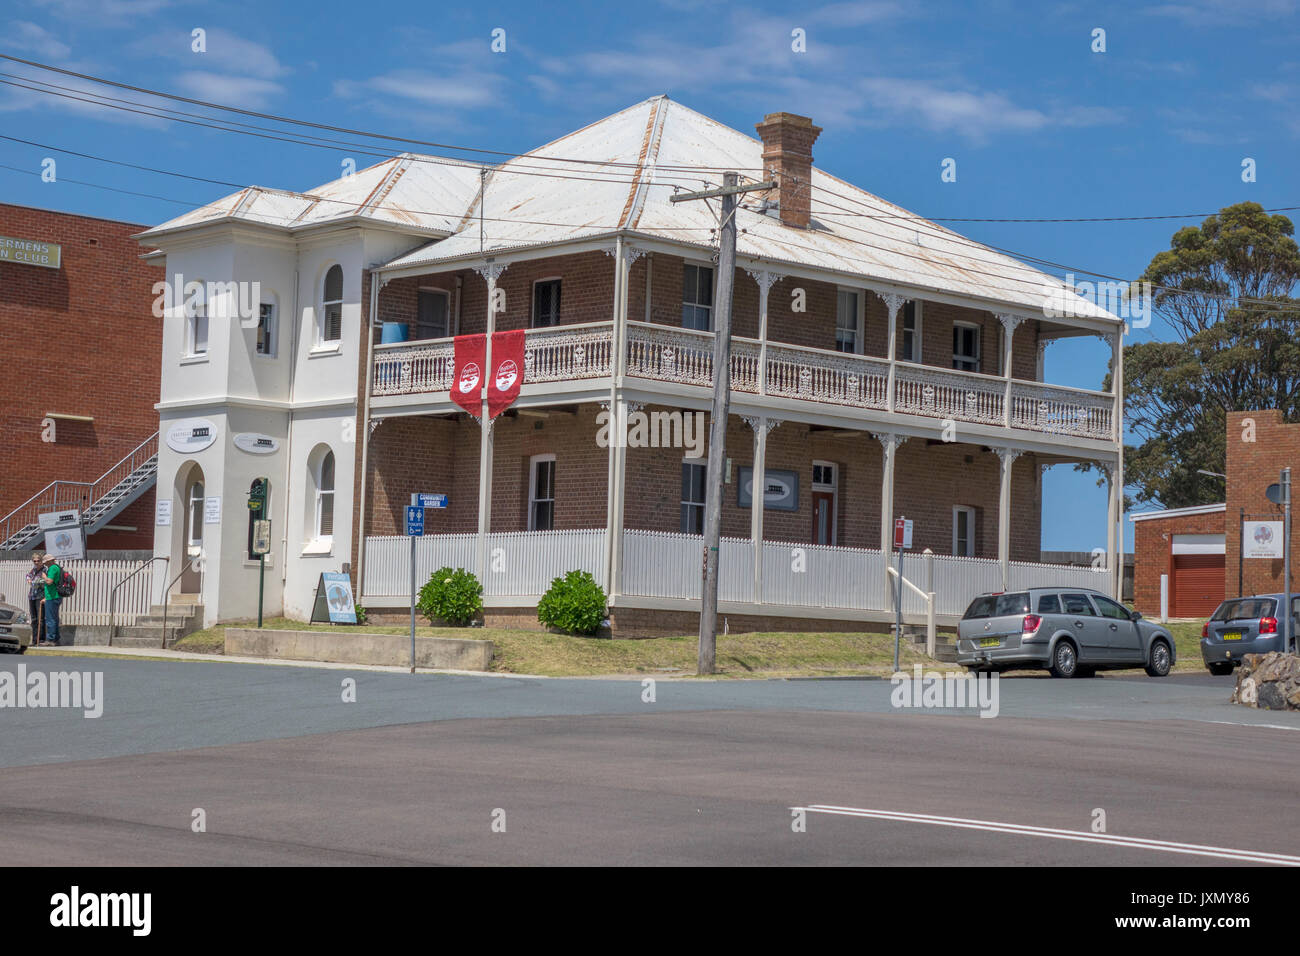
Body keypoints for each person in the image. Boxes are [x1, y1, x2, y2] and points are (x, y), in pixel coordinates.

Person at [39, 554, 62, 647]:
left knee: (50, 619)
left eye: (46, 562)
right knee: (54, 618)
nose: (45, 565)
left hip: (52, 596)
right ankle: (56, 639)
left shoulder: (52, 568)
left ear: (49, 561)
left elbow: (49, 581)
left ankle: (50, 639)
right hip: (55, 596)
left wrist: (44, 576)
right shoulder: (57, 567)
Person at [25, 551, 47, 646]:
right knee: (33, 618)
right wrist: (29, 579)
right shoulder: (33, 570)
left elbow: (43, 581)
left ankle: (40, 639)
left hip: (40, 596)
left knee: (40, 619)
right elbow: (27, 576)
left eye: (38, 561)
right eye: (35, 561)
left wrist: (33, 581)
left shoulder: (45, 570)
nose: (36, 562)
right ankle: (34, 639)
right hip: (32, 596)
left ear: (42, 561)